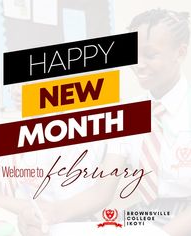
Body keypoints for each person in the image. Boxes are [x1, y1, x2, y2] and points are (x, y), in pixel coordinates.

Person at [17, 9, 191, 236]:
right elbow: (101, 191)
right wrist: (50, 212)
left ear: (180, 52)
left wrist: (163, 234)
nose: (139, 65)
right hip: (148, 217)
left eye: (150, 55)